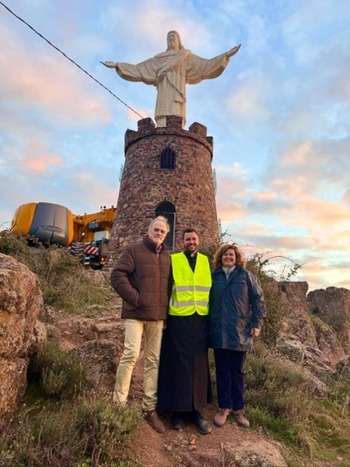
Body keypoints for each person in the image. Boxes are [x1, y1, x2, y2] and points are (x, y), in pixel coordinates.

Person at [101, 30, 241, 128]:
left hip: (178, 88)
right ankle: (162, 127)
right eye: (169, 37)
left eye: (173, 36)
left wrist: (226, 56)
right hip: (164, 90)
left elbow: (204, 66)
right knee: (163, 113)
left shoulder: (186, 56)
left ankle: (176, 128)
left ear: (179, 41)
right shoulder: (159, 59)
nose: (171, 39)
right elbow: (139, 69)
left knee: (176, 113)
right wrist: (117, 65)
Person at [110, 216, 171, 433]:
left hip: (156, 318)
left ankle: (149, 408)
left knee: (153, 361)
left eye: (163, 231)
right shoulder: (134, 250)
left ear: (166, 234)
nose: (159, 233)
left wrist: (165, 315)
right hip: (135, 314)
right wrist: (135, 299)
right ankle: (118, 405)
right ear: (149, 230)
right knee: (130, 355)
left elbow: (168, 287)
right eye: (156, 229)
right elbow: (117, 275)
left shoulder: (167, 257)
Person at [157, 228, 213, 435]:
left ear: (199, 241)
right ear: (182, 241)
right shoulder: (174, 260)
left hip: (200, 319)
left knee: (198, 363)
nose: (191, 242)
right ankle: (177, 411)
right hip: (179, 317)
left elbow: (211, 289)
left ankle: (196, 411)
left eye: (194, 239)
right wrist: (164, 316)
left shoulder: (206, 261)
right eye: (188, 239)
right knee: (178, 363)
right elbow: (165, 287)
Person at [208, 244, 266, 428]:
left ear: (237, 257)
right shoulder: (213, 276)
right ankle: (224, 407)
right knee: (222, 370)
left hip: (240, 331)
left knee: (237, 372)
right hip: (219, 330)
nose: (228, 257)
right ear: (220, 257)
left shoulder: (247, 276)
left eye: (231, 255)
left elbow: (259, 301)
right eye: (225, 255)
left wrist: (257, 324)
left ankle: (239, 409)